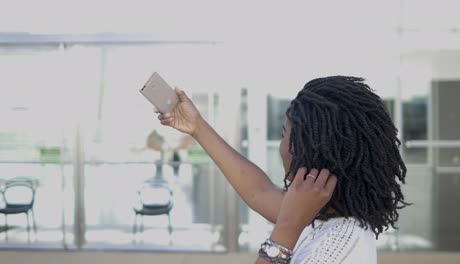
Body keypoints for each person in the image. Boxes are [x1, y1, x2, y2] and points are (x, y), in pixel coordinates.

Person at [154, 76, 409, 263]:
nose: (281, 145)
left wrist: (287, 227)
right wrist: (197, 126)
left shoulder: (337, 249)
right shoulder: (326, 214)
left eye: (284, 133)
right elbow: (259, 191)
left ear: (308, 150)